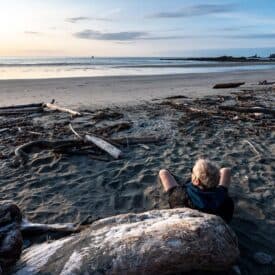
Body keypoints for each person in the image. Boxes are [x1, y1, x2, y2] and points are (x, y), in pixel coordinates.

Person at [158, 158, 234, 223]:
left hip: (187, 201)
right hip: (215, 202)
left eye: (192, 172)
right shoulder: (225, 199)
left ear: (196, 181)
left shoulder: (181, 194)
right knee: (225, 170)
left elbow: (173, 199)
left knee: (163, 172)